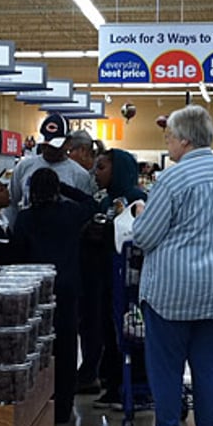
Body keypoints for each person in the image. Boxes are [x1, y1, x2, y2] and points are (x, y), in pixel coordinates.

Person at [132, 106, 213, 426]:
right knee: (210, 370)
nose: (167, 144)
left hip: (173, 291)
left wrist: (138, 214)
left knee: (166, 371)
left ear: (184, 139)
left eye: (169, 138)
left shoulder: (173, 179)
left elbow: (145, 236)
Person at [8, 168, 95, 425]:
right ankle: (63, 408)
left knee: (37, 348)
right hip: (67, 288)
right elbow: (91, 203)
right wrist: (65, 189)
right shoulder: (71, 214)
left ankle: (38, 403)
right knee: (67, 348)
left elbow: (17, 255)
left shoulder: (25, 218)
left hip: (37, 291)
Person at [81, 148, 148, 408]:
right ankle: (112, 381)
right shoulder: (105, 200)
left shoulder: (136, 199)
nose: (96, 173)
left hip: (128, 281)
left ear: (118, 169)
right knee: (108, 330)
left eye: (102, 167)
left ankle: (133, 385)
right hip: (105, 277)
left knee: (128, 331)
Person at [6, 113, 97, 223]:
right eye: (45, 145)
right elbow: (12, 203)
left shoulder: (79, 175)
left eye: (54, 146)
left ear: (68, 143)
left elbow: (86, 211)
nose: (48, 150)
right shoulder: (24, 167)